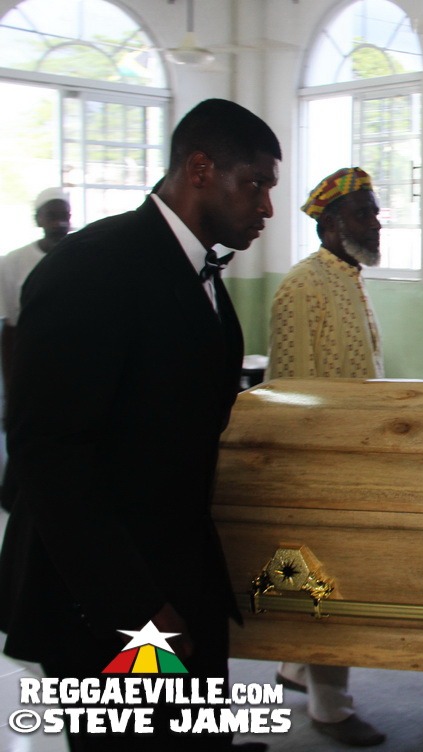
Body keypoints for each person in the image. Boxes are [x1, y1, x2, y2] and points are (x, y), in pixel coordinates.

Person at [0, 98, 279, 751]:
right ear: (201, 168)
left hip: (173, 577)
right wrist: (137, 611)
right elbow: (51, 456)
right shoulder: (93, 269)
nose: (267, 207)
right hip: (107, 600)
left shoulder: (194, 267)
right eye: (256, 184)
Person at [265, 167, 386, 748]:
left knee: (319, 578)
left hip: (354, 461)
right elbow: (289, 390)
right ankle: (330, 709)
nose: (377, 221)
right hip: (319, 466)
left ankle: (293, 665)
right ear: (333, 223)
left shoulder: (349, 278)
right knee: (327, 584)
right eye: (366, 212)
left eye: (375, 210)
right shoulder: (301, 286)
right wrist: (306, 473)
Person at [0, 187, 71, 394]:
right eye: (52, 216)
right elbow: (10, 328)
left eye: (64, 216)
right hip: (30, 357)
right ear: (37, 219)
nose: (59, 223)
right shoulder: (13, 261)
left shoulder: (83, 258)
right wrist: (10, 385)